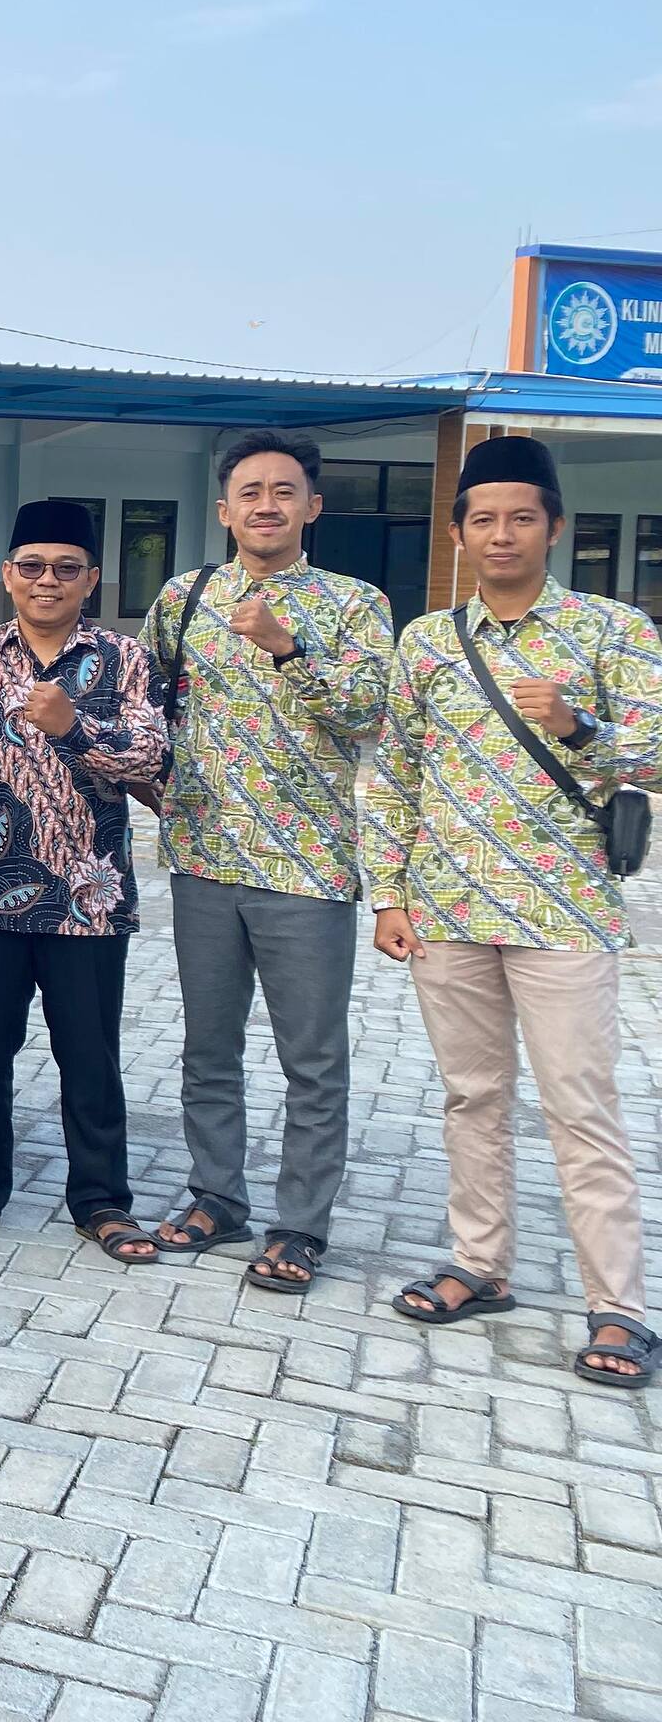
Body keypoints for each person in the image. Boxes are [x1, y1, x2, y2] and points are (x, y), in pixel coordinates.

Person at [370, 434, 662, 1388]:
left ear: (555, 527)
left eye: (521, 518)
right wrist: (391, 893)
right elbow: (396, 775)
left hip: (565, 914)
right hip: (448, 911)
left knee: (581, 1108)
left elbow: (656, 754)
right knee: (471, 1098)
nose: (503, 535)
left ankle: (618, 1308)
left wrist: (579, 727)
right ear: (457, 533)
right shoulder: (426, 642)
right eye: (484, 519)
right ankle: (480, 1264)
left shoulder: (614, 632)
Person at [142, 434, 393, 1292]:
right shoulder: (185, 596)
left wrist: (289, 647)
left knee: (311, 1060)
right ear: (224, 510)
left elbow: (368, 717)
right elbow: (151, 705)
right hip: (205, 855)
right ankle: (217, 1197)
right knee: (208, 1048)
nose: (266, 505)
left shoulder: (355, 604)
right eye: (249, 492)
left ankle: (299, 1226)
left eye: (285, 491)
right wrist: (154, 785)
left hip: (310, 866)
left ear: (312, 507)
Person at [0, 499, 166, 1264]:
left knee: (91, 1056)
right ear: (7, 575)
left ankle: (102, 1201)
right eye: (32, 566)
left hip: (89, 900)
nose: (47, 581)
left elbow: (150, 759)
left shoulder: (122, 661)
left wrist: (72, 727)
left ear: (92, 579)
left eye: (65, 568)